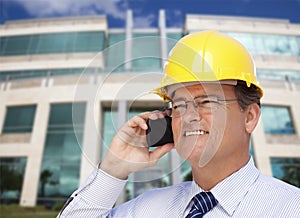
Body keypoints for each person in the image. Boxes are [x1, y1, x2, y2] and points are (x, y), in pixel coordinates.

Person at [58, 30, 300, 217]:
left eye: (206, 101)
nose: (189, 116)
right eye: (179, 105)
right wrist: (113, 169)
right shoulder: (147, 209)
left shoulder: (291, 209)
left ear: (249, 117)